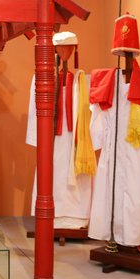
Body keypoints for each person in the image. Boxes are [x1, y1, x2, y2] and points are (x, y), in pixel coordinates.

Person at [87, 14, 140, 250]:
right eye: (122, 51)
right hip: (114, 147)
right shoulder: (108, 80)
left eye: (129, 51)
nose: (125, 55)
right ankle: (114, 236)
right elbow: (97, 115)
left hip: (139, 148)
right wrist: (100, 140)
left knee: (139, 191)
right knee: (113, 191)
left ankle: (137, 236)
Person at [26, 31, 95, 230]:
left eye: (69, 49)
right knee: (52, 172)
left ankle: (77, 218)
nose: (65, 53)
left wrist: (92, 137)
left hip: (76, 138)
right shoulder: (41, 78)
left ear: (74, 50)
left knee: (77, 176)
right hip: (52, 137)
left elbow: (92, 111)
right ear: (54, 51)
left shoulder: (83, 81)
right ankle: (53, 217)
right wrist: (37, 137)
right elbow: (34, 109)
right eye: (61, 49)